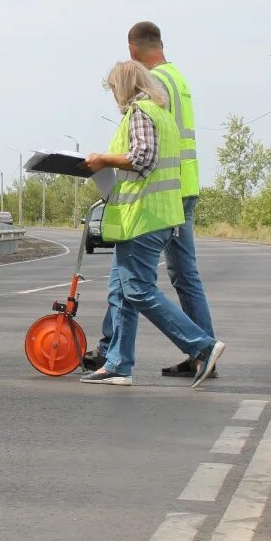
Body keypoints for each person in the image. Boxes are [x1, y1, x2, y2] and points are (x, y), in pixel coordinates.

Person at [84, 21, 218, 378]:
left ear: (132, 53)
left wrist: (105, 161)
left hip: (156, 199)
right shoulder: (179, 79)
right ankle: (120, 359)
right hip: (177, 190)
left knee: (137, 283)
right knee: (168, 279)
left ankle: (200, 347)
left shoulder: (149, 98)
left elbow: (145, 152)